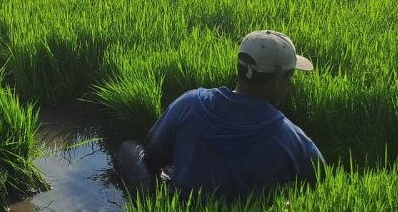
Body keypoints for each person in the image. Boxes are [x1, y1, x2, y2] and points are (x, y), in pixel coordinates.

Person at [116, 30, 324, 202]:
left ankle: (150, 206)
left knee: (129, 148)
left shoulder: (190, 103)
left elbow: (153, 154)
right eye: (289, 77)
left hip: (182, 210)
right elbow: (322, 181)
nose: (289, 84)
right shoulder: (292, 139)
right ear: (277, 80)